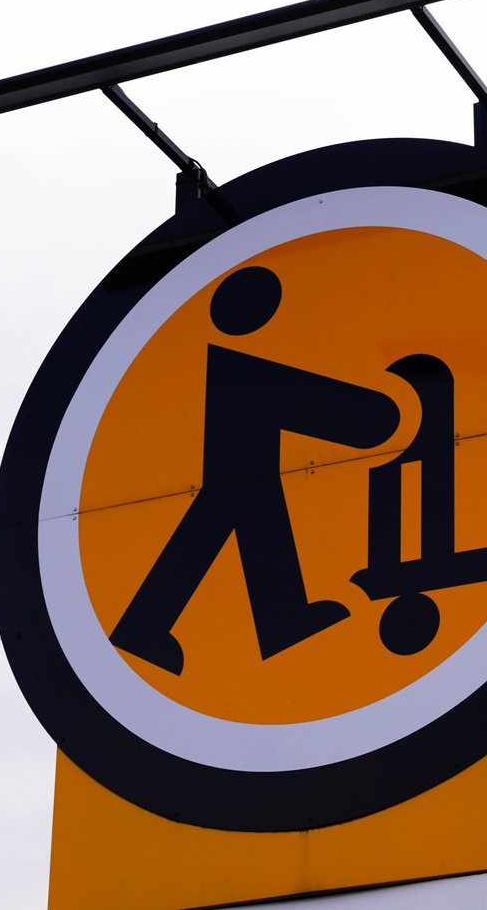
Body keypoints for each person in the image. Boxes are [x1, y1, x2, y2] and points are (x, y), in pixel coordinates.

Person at [110, 265, 400, 675]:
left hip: (245, 471)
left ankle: (278, 618)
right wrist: (372, 417)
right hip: (241, 468)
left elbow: (297, 395)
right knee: (233, 517)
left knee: (245, 516)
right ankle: (150, 626)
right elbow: (302, 399)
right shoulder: (242, 367)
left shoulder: (233, 362)